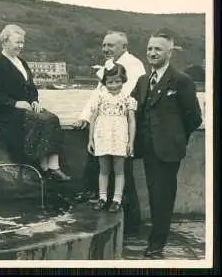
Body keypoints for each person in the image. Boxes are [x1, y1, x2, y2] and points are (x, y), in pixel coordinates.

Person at [131, 32, 202, 259]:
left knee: (163, 197)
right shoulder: (142, 81)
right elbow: (136, 110)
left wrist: (174, 137)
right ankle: (153, 238)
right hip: (147, 149)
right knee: (153, 194)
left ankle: (156, 244)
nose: (152, 53)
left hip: (168, 150)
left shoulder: (182, 81)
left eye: (158, 49)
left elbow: (193, 118)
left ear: (169, 53)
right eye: (150, 49)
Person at [72, 31, 145, 235]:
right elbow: (98, 94)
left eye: (110, 45)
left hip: (121, 128)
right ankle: (106, 205)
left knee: (124, 176)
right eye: (104, 45)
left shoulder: (134, 64)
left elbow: (121, 93)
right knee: (106, 172)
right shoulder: (109, 65)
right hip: (105, 130)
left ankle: (131, 227)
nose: (105, 49)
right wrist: (85, 117)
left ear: (124, 46)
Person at [0, 24, 70, 181]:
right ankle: (45, 168)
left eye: (22, 42)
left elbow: (31, 88)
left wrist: (34, 101)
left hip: (25, 109)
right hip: (5, 112)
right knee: (43, 120)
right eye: (17, 42)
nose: (21, 46)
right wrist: (14, 103)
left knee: (52, 118)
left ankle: (52, 166)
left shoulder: (21, 62)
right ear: (4, 42)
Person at [87, 64, 137, 213]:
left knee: (119, 169)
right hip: (102, 136)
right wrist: (90, 139)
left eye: (117, 81)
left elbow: (131, 121)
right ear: (105, 82)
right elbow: (93, 118)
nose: (114, 85)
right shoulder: (100, 97)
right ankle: (102, 198)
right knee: (103, 169)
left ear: (123, 80)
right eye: (110, 82)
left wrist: (131, 142)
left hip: (120, 137)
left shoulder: (128, 98)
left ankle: (116, 199)